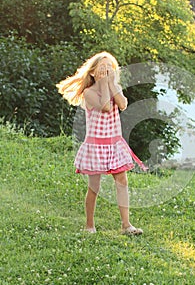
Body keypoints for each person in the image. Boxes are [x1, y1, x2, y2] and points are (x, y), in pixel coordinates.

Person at [56, 51, 146, 235]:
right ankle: (90, 225)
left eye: (109, 67)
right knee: (94, 187)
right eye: (102, 67)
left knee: (122, 181)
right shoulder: (89, 93)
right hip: (96, 146)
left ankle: (126, 225)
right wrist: (105, 84)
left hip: (114, 144)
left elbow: (122, 104)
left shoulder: (114, 87)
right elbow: (105, 106)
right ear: (92, 72)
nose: (106, 70)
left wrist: (112, 84)